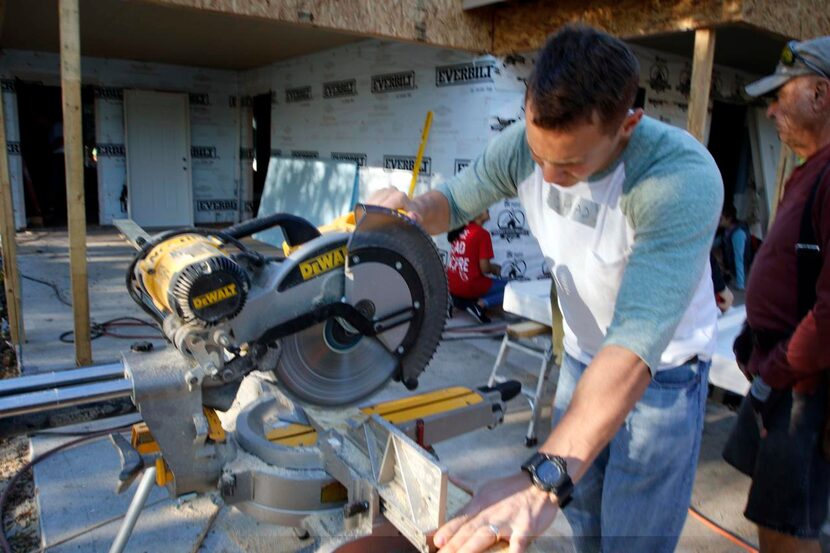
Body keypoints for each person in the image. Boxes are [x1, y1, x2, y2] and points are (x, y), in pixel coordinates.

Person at [370, 25, 722, 553]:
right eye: (540, 157)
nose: (551, 175)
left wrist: (542, 478)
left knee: (633, 534)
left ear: (628, 126)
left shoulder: (677, 178)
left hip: (662, 373)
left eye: (573, 163)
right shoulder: (522, 146)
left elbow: (634, 344)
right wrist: (414, 211)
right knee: (584, 519)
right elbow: (457, 201)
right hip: (583, 354)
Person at [722, 36, 830, 553]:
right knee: (772, 511)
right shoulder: (809, 172)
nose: (770, 112)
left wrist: (776, 372)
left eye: (780, 95)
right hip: (781, 371)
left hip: (804, 387)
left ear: (821, 94)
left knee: (789, 525)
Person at [447, 210, 507, 323]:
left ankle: (459, 301)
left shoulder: (459, 231)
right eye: (483, 207)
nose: (488, 209)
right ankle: (480, 305)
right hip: (469, 285)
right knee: (510, 289)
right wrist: (495, 269)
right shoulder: (482, 234)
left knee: (487, 283)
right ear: (476, 214)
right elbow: (485, 268)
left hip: (452, 285)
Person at [719, 204, 752, 290]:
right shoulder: (727, 231)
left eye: (721, 218)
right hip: (731, 268)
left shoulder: (738, 234)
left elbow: (739, 258)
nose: (718, 221)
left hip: (741, 270)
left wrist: (740, 283)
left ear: (728, 218)